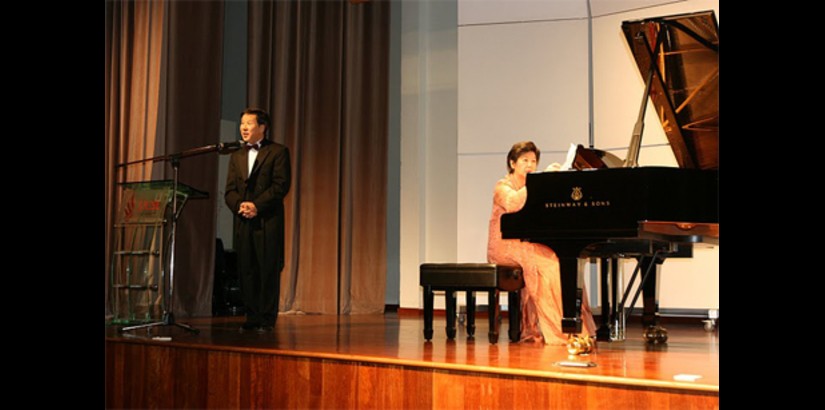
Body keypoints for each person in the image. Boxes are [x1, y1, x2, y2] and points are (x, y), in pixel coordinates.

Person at [486, 141, 596, 345]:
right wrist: (541, 181)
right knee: (549, 264)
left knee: (560, 259)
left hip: (525, 242)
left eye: (533, 161)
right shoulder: (502, 186)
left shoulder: (531, 185)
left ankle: (575, 324)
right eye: (525, 160)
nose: (530, 165)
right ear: (512, 163)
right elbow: (513, 203)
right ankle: (560, 330)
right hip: (504, 245)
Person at [225, 107, 292, 333]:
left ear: (262, 127)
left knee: (267, 270)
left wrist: (257, 205)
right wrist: (239, 205)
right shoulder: (236, 156)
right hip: (243, 220)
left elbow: (280, 185)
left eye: (249, 124)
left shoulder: (278, 151)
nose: (244, 128)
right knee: (246, 270)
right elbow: (229, 191)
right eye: (242, 123)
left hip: (267, 221)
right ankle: (251, 317)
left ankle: (266, 319)